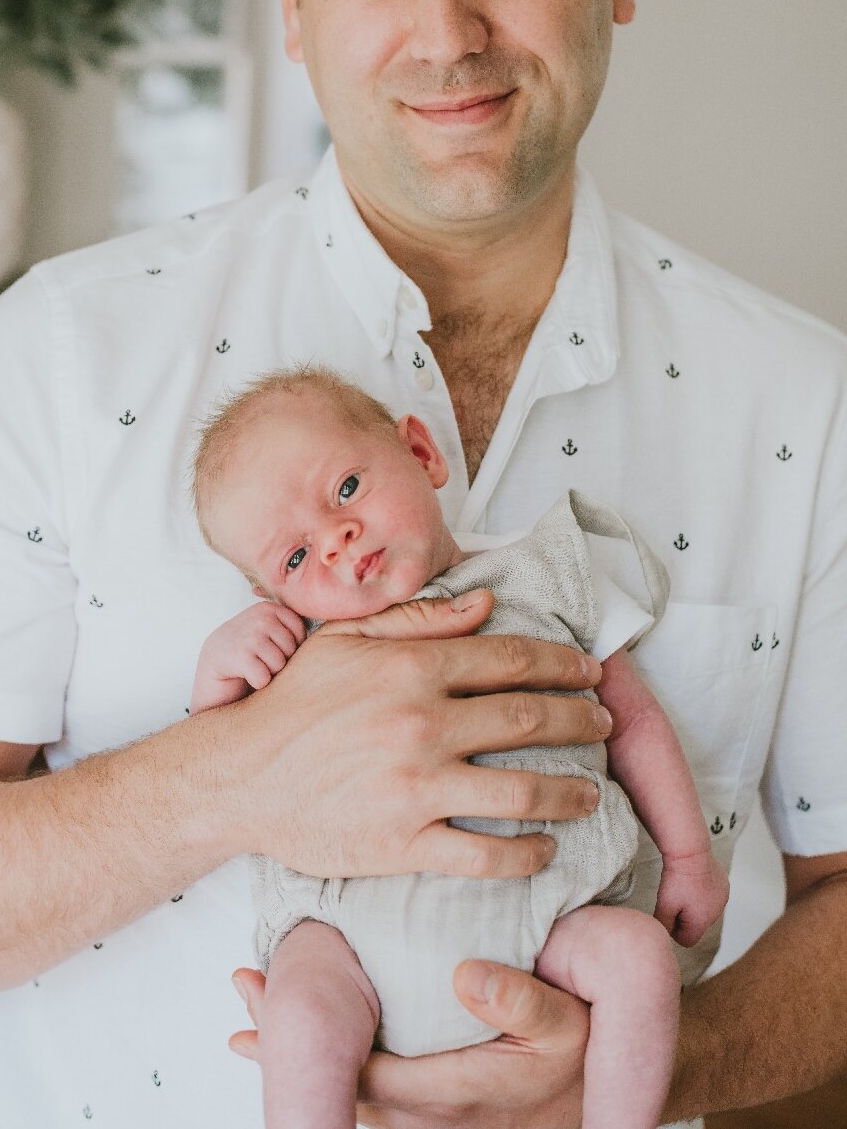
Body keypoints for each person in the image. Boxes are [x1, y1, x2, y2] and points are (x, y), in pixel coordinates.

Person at [0, 0, 844, 1129]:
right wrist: (236, 777)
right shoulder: (63, 350)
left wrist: (655, 1064)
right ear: (294, 3)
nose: (448, 35)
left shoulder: (805, 404)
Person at [189, 364, 729, 1129]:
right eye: (296, 559)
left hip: (553, 912)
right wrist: (220, 666)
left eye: (345, 490)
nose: (336, 541)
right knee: (300, 1016)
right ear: (273, 598)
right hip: (350, 934)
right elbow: (219, 768)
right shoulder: (297, 651)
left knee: (641, 964)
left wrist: (687, 857)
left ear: (421, 453)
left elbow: (634, 722)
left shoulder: (545, 580)